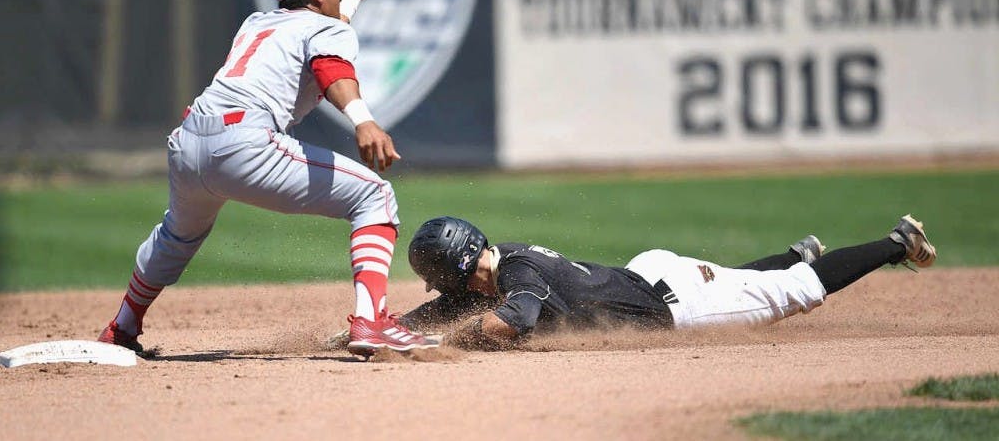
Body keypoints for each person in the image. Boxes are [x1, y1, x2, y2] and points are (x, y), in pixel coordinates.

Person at [97, 0, 438, 357]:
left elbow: (327, 25)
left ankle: (123, 326)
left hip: (189, 141)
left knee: (177, 234)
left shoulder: (257, 23)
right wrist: (363, 120)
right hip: (244, 143)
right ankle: (371, 322)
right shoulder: (325, 30)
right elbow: (331, 66)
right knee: (374, 196)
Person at [401, 214, 936, 350]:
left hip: (678, 305)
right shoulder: (502, 261)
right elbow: (444, 310)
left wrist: (438, 345)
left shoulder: (517, 276)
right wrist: (390, 331)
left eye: (446, 281)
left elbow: (508, 325)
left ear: (459, 270)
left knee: (797, 292)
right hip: (646, 270)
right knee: (733, 283)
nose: (449, 294)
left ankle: (897, 242)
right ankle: (790, 255)